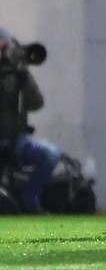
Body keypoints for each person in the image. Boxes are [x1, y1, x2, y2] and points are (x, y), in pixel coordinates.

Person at [0, 29, 59, 213]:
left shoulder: (16, 73)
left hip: (16, 138)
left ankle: (28, 199)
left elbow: (36, 103)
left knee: (50, 155)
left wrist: (23, 78)